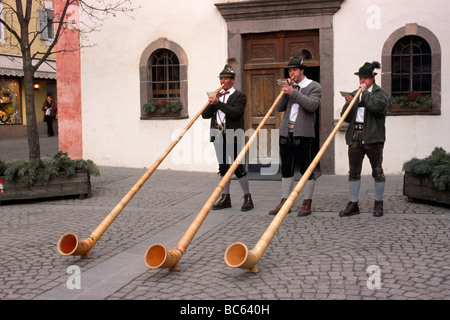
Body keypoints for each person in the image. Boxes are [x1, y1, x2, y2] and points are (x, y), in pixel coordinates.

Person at [269, 56, 322, 217]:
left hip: (304, 132)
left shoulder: (314, 86)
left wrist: (294, 92)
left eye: (295, 70)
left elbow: (312, 106)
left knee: (307, 168)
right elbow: (278, 107)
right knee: (286, 167)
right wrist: (286, 92)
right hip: (286, 131)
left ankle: (307, 201)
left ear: (302, 70)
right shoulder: (290, 86)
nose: (292, 72)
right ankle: (285, 200)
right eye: (290, 70)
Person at [339, 61, 389, 218]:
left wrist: (364, 93)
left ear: (372, 79)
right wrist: (348, 105)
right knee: (353, 172)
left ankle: (378, 204)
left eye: (365, 78)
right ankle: (353, 204)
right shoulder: (354, 94)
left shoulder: (381, 93)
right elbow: (345, 118)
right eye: (360, 77)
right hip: (355, 136)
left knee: (377, 171)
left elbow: (377, 108)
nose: (362, 81)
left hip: (373, 137)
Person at [201, 63, 253, 211]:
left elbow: (235, 112)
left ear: (232, 80)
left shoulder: (239, 96)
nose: (223, 82)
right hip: (218, 134)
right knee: (223, 167)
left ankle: (247, 196)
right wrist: (212, 102)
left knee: (237, 166)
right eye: (221, 79)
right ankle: (226, 197)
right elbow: (205, 115)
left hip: (233, 134)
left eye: (226, 79)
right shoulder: (217, 96)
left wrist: (218, 103)